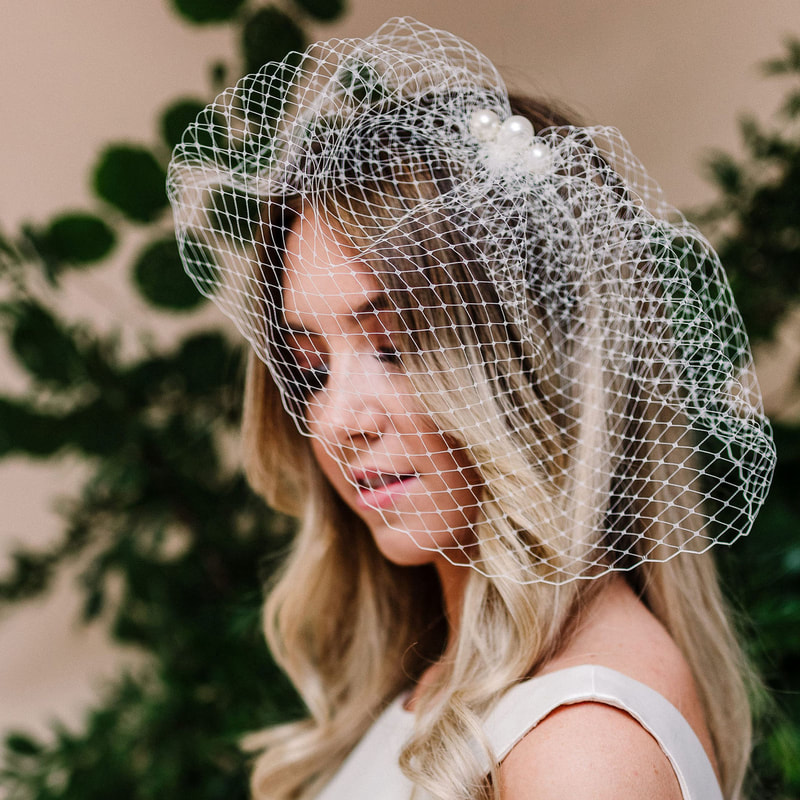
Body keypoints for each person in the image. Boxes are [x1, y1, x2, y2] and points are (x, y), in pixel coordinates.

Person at [167, 18, 775, 800]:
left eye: (394, 348)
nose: (337, 419)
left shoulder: (580, 745)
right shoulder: (467, 674)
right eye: (311, 367)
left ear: (534, 364)